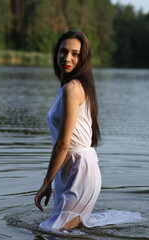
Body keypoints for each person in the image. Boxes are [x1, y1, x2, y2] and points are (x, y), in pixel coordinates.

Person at [34, 30, 101, 232]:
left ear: (83, 58)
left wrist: (46, 182)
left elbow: (63, 143)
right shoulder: (69, 87)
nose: (67, 58)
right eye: (63, 52)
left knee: (54, 231)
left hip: (79, 170)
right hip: (70, 168)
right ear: (56, 53)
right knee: (66, 231)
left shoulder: (73, 88)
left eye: (75, 54)